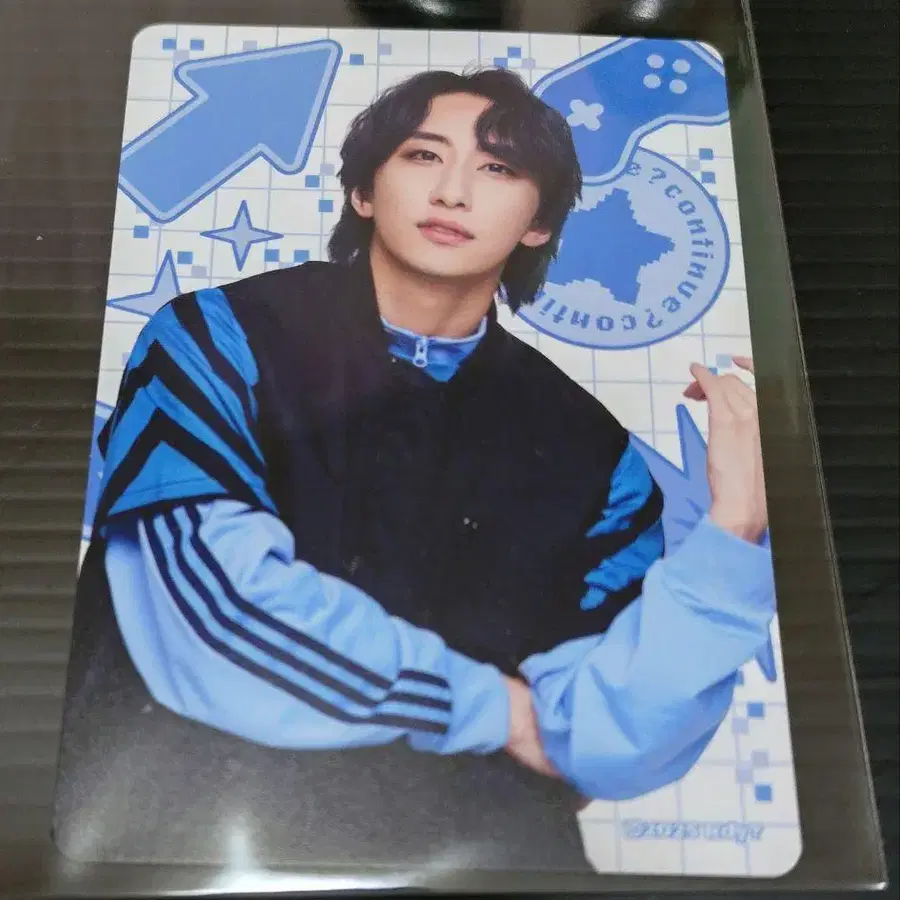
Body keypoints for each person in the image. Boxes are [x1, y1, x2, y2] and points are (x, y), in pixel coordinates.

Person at [53, 68, 775, 872]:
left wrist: (733, 533)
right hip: (193, 840)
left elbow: (612, 741)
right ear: (364, 190)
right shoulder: (214, 336)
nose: (453, 192)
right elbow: (221, 612)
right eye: (423, 155)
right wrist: (501, 710)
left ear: (539, 223)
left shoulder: (598, 452)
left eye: (499, 168)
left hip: (484, 863)